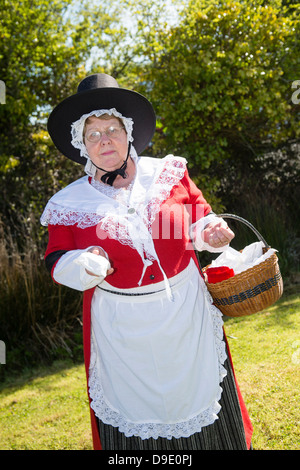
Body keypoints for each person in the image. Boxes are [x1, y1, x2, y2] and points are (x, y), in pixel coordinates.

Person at [40, 73, 253, 450]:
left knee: (204, 401)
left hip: (188, 316)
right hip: (121, 331)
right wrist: (83, 262)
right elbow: (56, 261)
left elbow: (199, 219)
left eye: (112, 129)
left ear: (129, 133)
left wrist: (212, 231)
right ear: (81, 144)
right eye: (93, 133)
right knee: (137, 422)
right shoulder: (67, 203)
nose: (104, 139)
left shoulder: (168, 173)